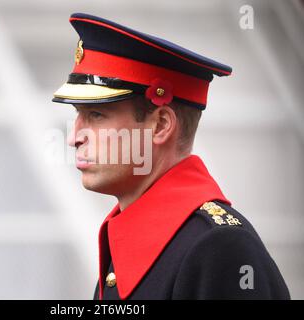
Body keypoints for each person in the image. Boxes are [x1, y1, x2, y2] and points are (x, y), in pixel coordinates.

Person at [52, 13, 290, 300]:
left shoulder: (220, 248)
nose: (74, 137)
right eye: (78, 115)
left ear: (161, 124)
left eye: (96, 115)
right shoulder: (154, 238)